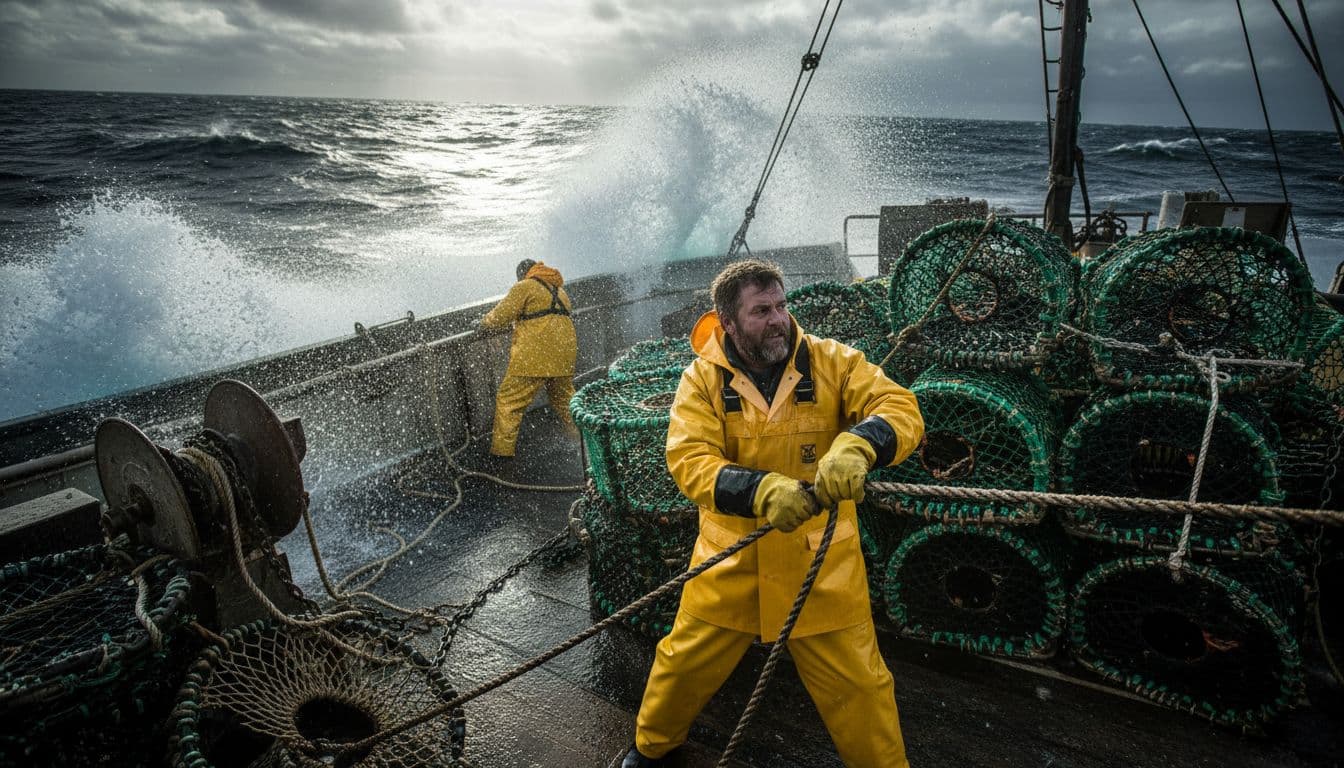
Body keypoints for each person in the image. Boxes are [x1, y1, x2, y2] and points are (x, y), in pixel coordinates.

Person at [617, 260, 924, 768]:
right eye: (761, 311)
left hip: (822, 568)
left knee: (861, 687)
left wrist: (859, 444)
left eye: (781, 306)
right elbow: (688, 460)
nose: (779, 318)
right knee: (682, 665)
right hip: (729, 561)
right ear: (728, 324)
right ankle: (652, 749)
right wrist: (760, 491)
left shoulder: (833, 361)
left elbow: (899, 407)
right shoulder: (701, 381)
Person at [479, 258, 578, 460]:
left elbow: (501, 315)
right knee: (565, 400)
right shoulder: (560, 291)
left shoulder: (525, 286)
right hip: (563, 356)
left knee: (509, 402)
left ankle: (501, 456)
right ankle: (582, 441)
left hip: (534, 358)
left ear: (523, 274)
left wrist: (483, 322)